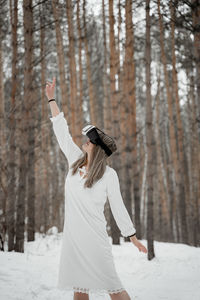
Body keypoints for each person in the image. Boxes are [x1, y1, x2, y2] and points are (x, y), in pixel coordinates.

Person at [46, 77, 147, 300]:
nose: (85, 142)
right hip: (74, 239)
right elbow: (61, 131)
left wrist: (132, 237)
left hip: (95, 240)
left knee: (115, 288)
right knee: (80, 288)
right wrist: (51, 98)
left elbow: (118, 208)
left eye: (89, 141)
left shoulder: (109, 176)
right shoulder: (75, 161)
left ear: (97, 149)